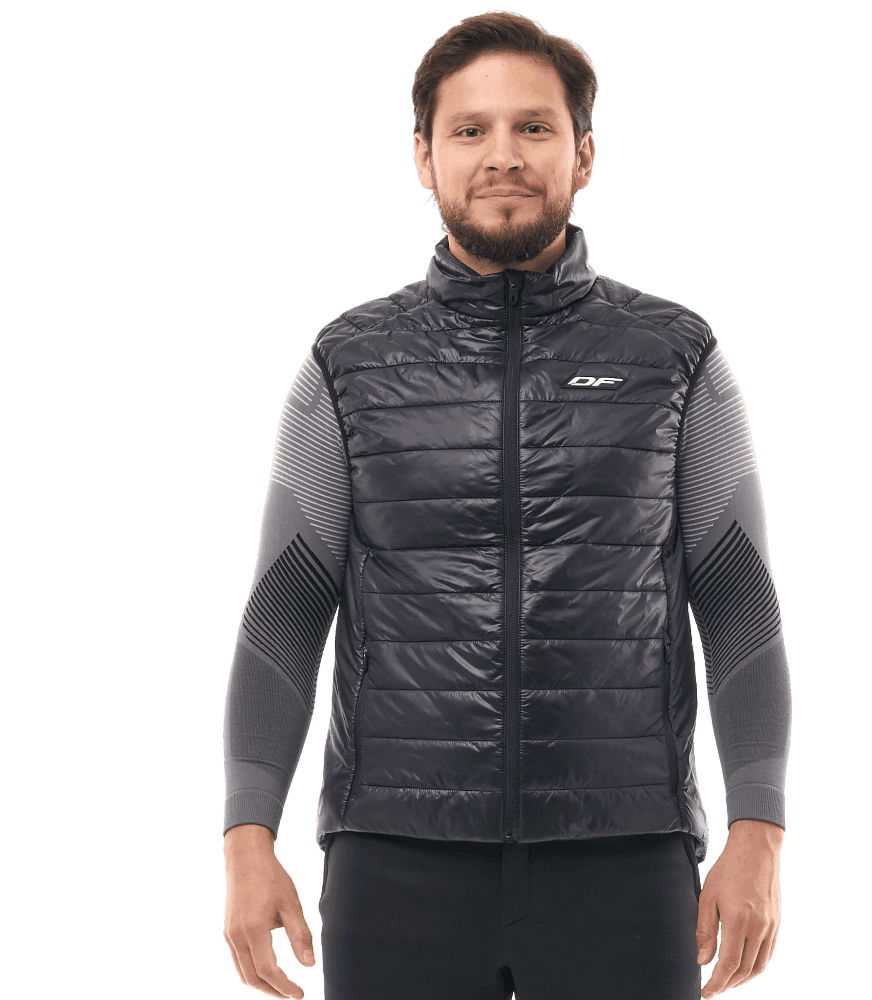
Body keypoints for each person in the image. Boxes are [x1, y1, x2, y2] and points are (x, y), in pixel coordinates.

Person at [221, 11, 792, 1000]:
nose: (503, 156)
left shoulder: (677, 357)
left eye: (534, 127)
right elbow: (283, 614)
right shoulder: (346, 365)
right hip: (394, 857)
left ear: (583, 155)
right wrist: (246, 840)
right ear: (424, 158)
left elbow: (741, 606)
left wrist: (759, 834)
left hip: (625, 854)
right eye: (470, 130)